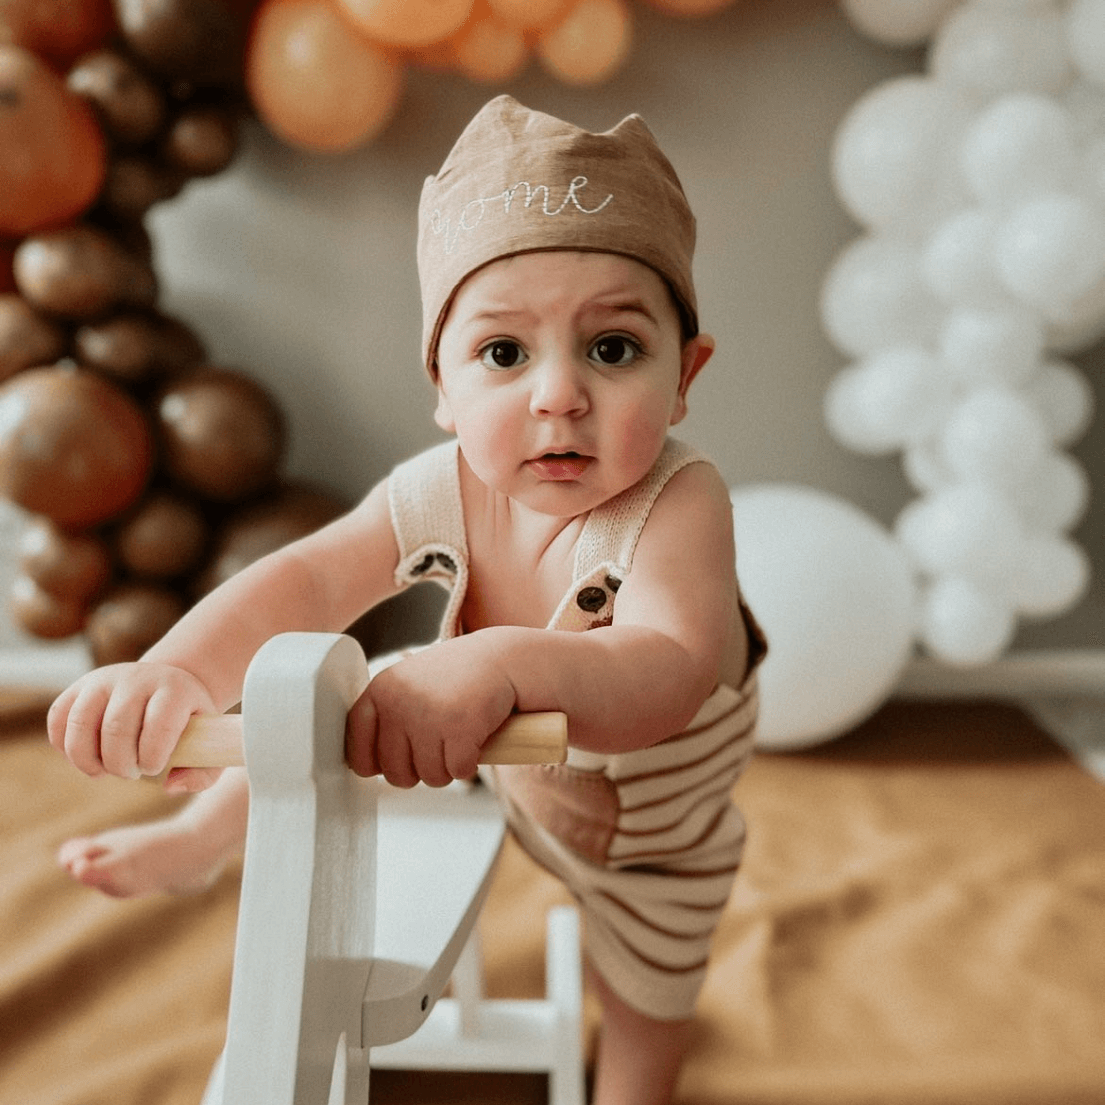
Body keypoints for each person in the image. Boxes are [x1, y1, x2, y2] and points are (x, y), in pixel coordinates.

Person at [49, 94, 765, 1105]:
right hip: (494, 756)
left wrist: (494, 662)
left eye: (612, 349)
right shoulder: (441, 489)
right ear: (442, 385)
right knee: (335, 702)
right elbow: (303, 579)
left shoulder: (678, 505)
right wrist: (179, 667)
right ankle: (200, 838)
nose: (557, 395)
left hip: (653, 833)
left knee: (647, 1003)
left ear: (684, 376)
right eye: (504, 354)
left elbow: (665, 672)